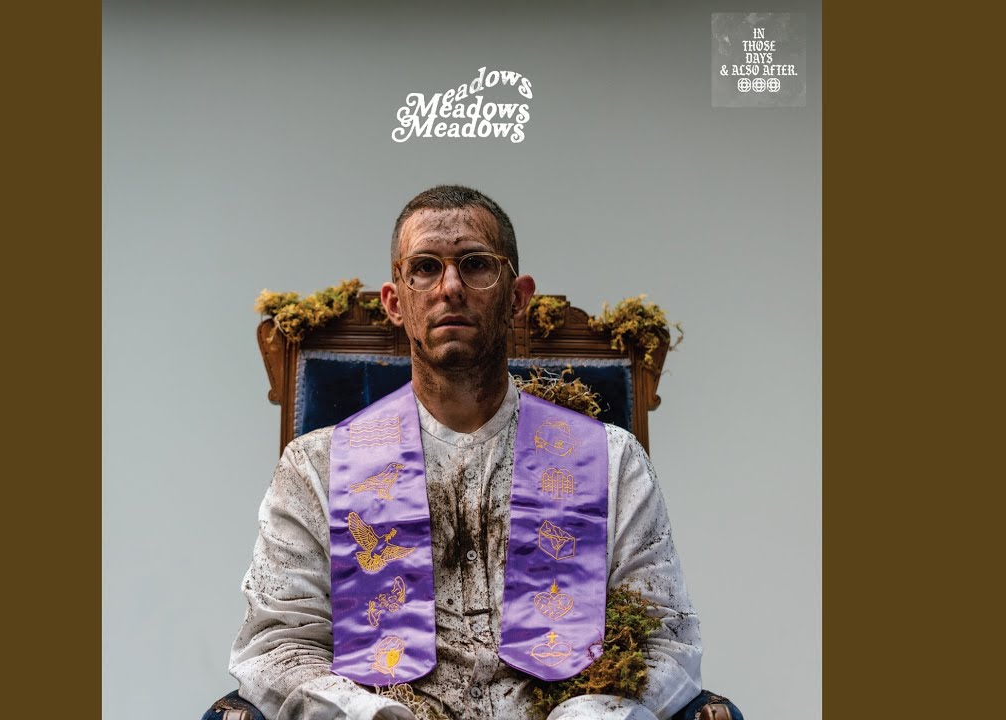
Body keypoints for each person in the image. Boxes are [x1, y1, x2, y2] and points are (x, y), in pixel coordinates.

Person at [228, 185, 703, 720]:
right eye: (424, 268)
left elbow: (664, 641)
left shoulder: (609, 462)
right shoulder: (316, 468)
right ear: (395, 303)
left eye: (476, 265)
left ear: (517, 298)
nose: (450, 287)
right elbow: (279, 647)